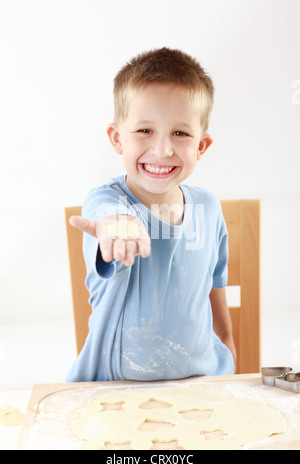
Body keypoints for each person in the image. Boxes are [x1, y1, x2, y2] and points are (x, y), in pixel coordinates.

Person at [66, 47, 236, 382]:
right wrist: (119, 227)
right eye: (145, 130)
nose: (162, 149)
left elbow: (214, 283)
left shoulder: (208, 207)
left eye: (180, 133)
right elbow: (109, 217)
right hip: (114, 390)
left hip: (201, 384)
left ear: (201, 146)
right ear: (117, 138)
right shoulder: (106, 202)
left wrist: (228, 343)